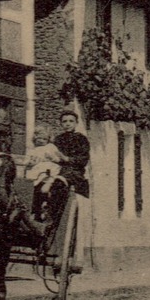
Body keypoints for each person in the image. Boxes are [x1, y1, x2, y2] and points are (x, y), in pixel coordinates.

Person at [53, 109, 93, 261]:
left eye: (70, 121)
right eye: (64, 121)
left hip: (74, 173)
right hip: (58, 170)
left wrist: (67, 159)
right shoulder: (57, 139)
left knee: (59, 181)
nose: (67, 124)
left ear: (76, 123)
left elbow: (83, 159)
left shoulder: (81, 139)